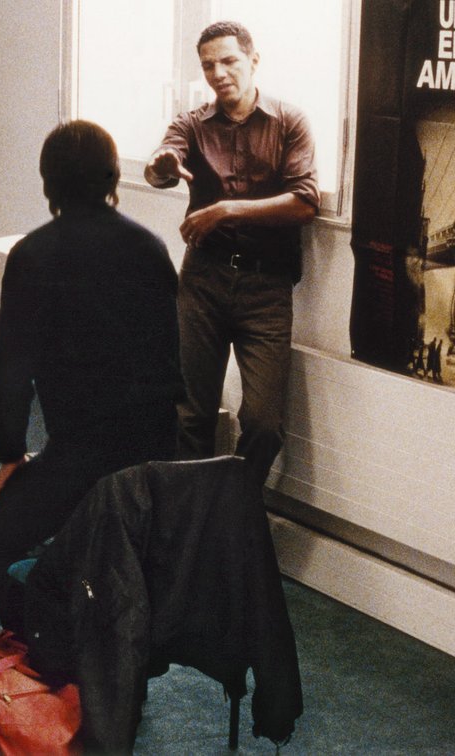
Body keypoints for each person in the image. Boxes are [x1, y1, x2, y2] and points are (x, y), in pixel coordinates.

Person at [0, 120, 183, 632]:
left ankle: (43, 647)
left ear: (48, 182)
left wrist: (9, 455)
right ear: (113, 178)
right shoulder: (151, 249)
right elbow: (170, 364)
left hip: (79, 454)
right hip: (152, 454)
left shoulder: (33, 255)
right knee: (113, 543)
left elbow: (13, 368)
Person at [145, 20, 320, 486]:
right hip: (203, 282)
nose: (218, 73)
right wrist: (160, 166)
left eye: (228, 61)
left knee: (264, 424)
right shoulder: (191, 123)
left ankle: (233, 506)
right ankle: (188, 521)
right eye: (208, 66)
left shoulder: (290, 122)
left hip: (267, 289)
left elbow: (305, 201)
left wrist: (225, 211)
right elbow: (163, 162)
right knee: (191, 416)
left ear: (253, 60)